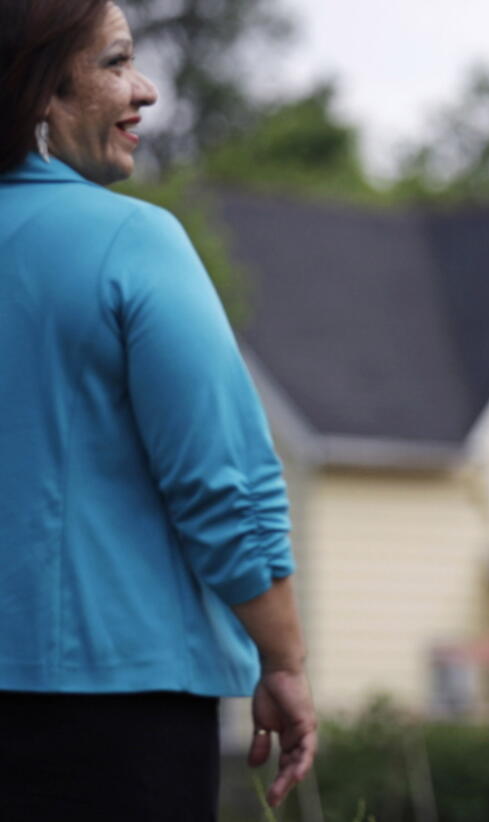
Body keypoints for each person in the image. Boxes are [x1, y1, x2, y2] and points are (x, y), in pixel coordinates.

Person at [0, 2, 316, 818]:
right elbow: (225, 485)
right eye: (113, 63)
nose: (145, 91)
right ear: (40, 92)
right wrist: (280, 659)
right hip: (114, 713)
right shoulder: (132, 242)